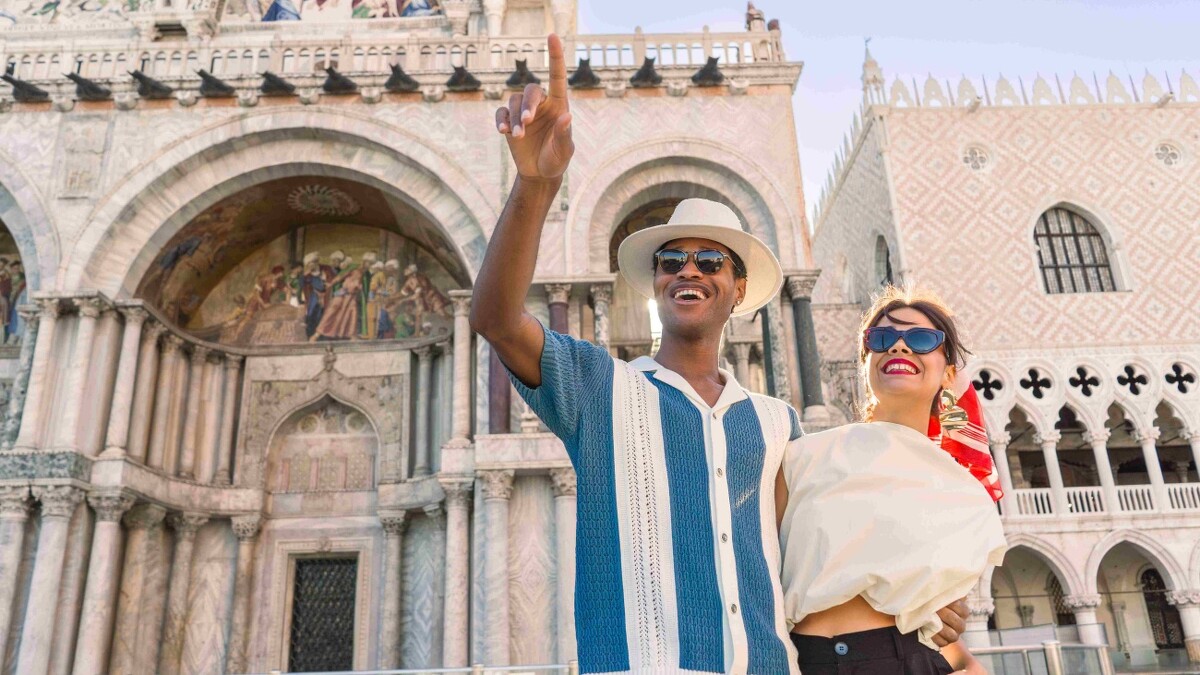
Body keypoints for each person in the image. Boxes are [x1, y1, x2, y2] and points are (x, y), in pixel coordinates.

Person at [471, 34, 971, 675]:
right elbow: (496, 319)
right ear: (655, 283)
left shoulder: (778, 423)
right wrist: (536, 185)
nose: (690, 270)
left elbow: (821, 555)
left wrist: (925, 596)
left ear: (738, 290)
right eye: (671, 260)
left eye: (711, 261)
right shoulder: (598, 388)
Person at [777, 286, 1007, 674]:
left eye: (921, 339)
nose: (899, 346)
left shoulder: (965, 493)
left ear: (948, 373)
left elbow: (940, 626)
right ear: (866, 363)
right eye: (881, 338)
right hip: (804, 660)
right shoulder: (801, 455)